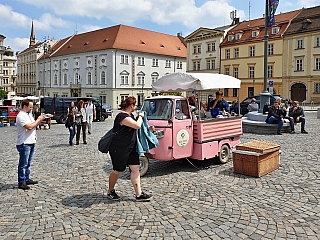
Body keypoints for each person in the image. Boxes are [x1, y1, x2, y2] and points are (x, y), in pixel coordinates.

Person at [107, 96, 152, 202]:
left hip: (131, 148)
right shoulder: (122, 117)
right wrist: (141, 116)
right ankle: (110, 191)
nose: (135, 107)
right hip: (119, 148)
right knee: (117, 170)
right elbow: (137, 125)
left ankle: (139, 194)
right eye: (135, 105)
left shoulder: (130, 115)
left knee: (135, 168)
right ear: (131, 105)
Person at [16, 99, 45, 190]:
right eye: (30, 107)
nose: (32, 108)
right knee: (23, 163)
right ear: (25, 106)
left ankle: (26, 178)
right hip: (24, 143)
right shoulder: (21, 116)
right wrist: (39, 119)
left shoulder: (28, 115)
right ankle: (21, 182)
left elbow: (33, 124)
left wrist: (39, 120)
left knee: (28, 163)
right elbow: (29, 127)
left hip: (31, 141)